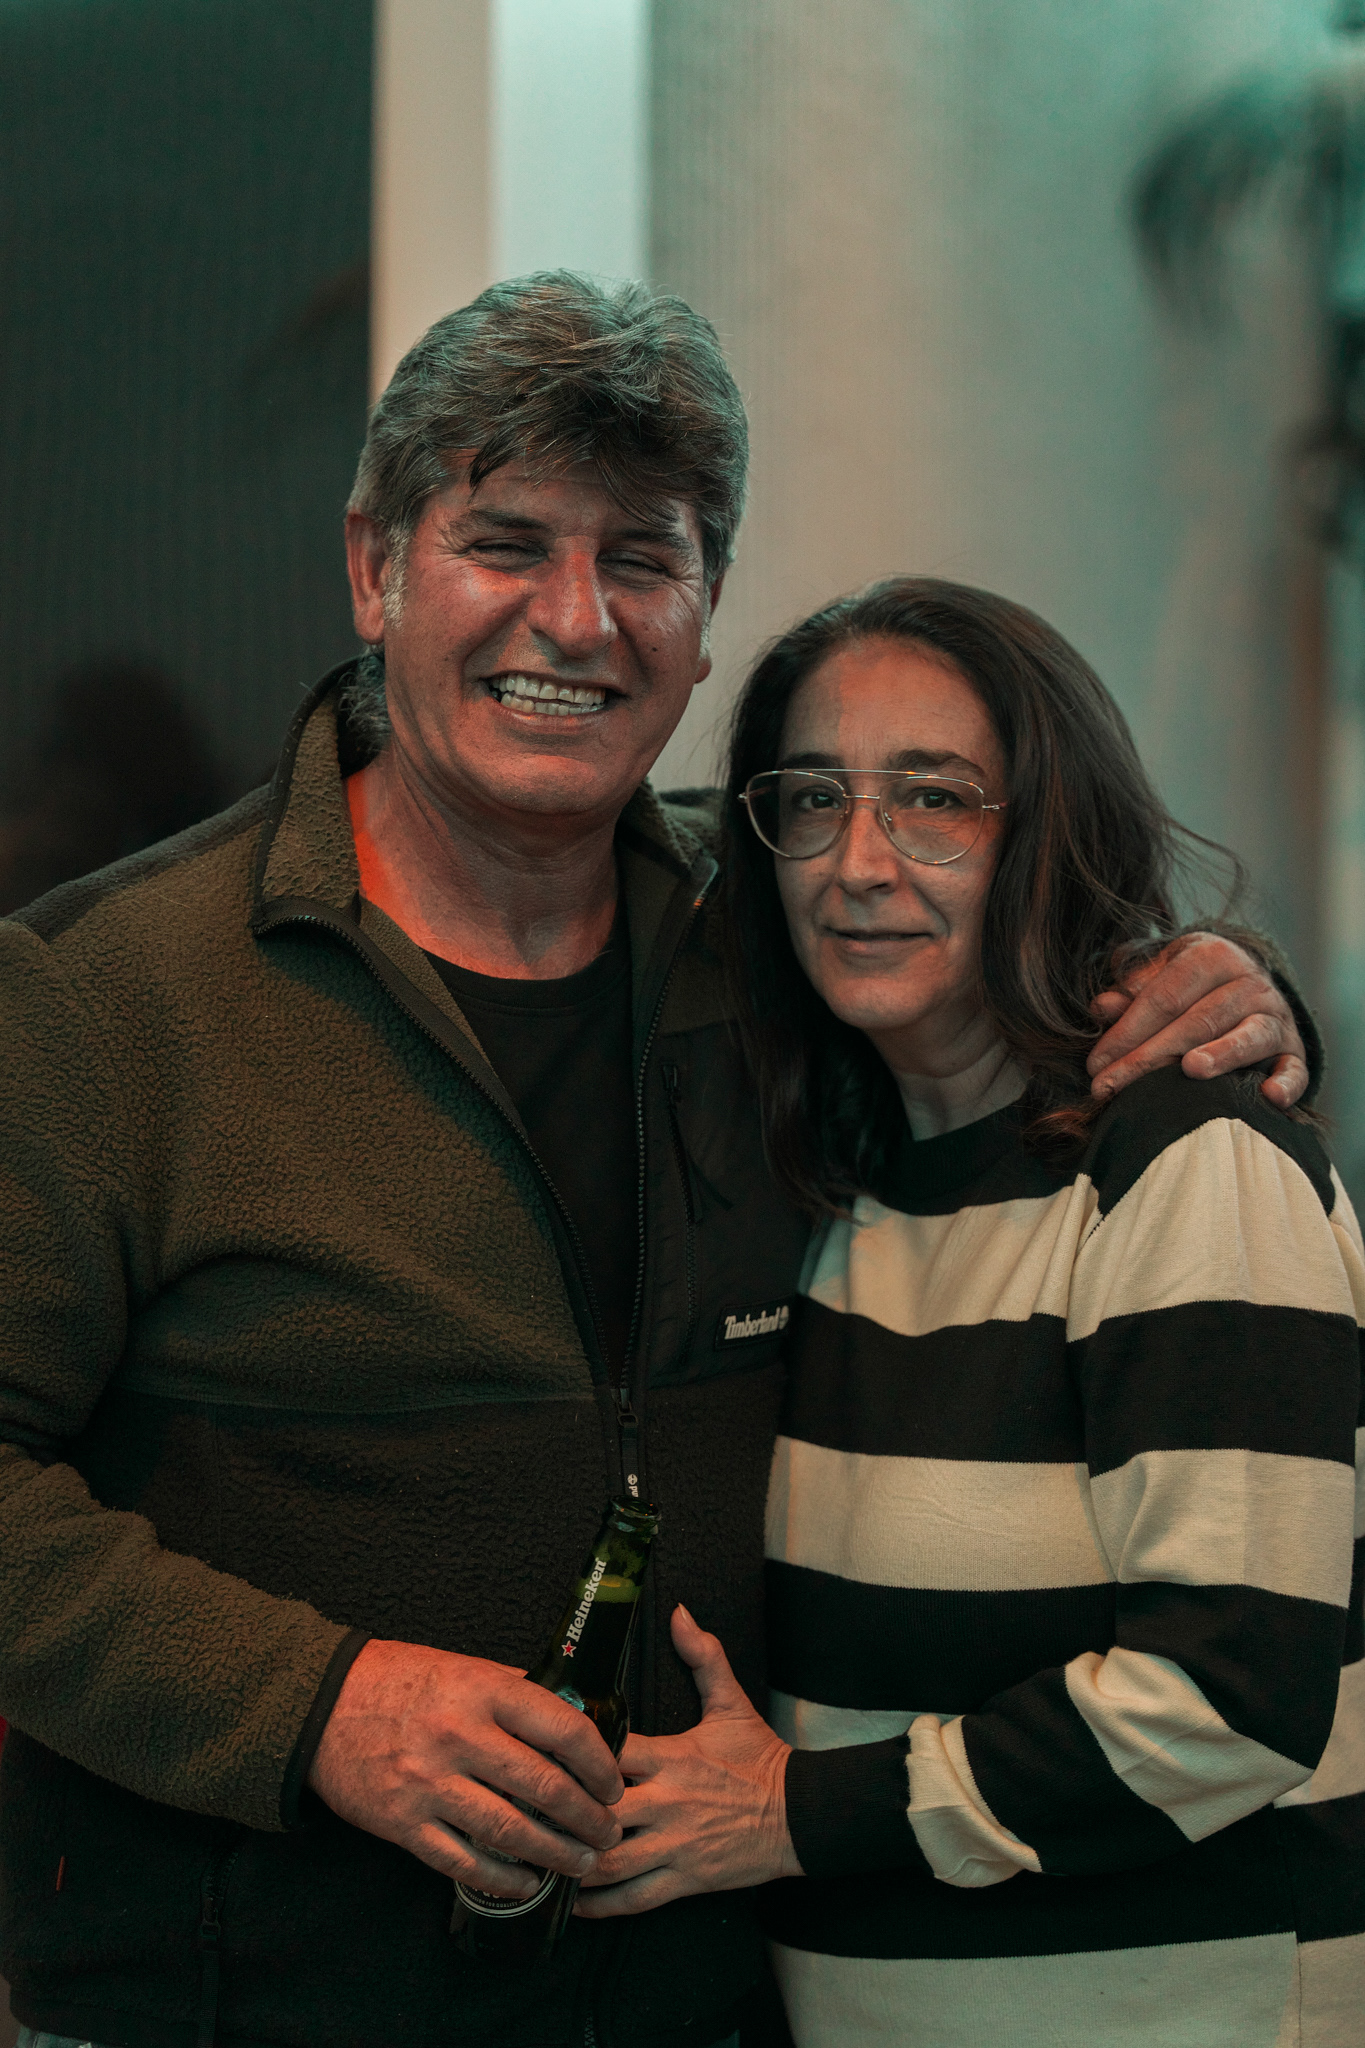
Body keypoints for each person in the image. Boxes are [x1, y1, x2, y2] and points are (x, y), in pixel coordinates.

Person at [0, 278, 1316, 2048]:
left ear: (704, 620)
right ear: (375, 569)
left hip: (707, 2000)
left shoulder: (778, 943)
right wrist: (317, 1706)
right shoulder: (102, 998)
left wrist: (1213, 985)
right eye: (505, 543)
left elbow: (1013, 983)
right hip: (239, 2001)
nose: (576, 617)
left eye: (643, 558)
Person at [575, 577, 1364, 2048]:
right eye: (813, 799)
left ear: (1049, 836)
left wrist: (794, 1813)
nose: (858, 863)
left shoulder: (1183, 1163)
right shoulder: (839, 1175)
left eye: (936, 800)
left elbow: (1232, 1696)